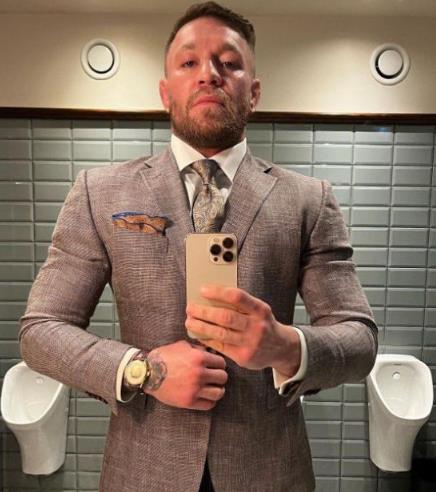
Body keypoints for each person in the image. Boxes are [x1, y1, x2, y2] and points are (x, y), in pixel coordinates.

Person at [19, 2, 378, 491]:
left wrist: (285, 346)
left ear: (253, 93)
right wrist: (143, 370)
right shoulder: (99, 193)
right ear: (166, 92)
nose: (209, 73)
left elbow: (359, 341)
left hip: (268, 472)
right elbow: (40, 332)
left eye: (228, 62)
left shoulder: (308, 200)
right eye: (189, 62)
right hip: (144, 470)